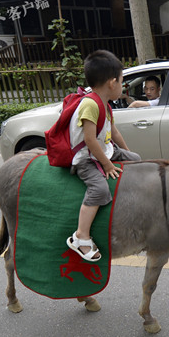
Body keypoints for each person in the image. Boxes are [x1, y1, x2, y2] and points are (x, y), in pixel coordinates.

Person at [67, 50, 141, 261]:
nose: (122, 86)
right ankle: (81, 237)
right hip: (87, 158)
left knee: (136, 161)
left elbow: (113, 132)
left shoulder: (105, 104)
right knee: (99, 189)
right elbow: (90, 140)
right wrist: (108, 165)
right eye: (121, 81)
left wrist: (126, 153)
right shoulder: (90, 104)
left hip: (105, 149)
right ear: (111, 83)